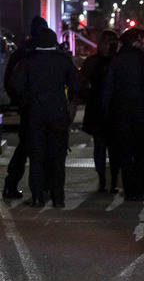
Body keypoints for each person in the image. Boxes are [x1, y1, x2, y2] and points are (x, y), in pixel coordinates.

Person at [9, 28, 81, 207]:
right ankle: (58, 198)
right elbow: (77, 84)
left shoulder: (27, 61)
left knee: (36, 157)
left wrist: (27, 96)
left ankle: (37, 196)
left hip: (35, 114)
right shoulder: (63, 60)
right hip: (57, 114)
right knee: (57, 157)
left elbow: (15, 85)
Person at [101, 28, 144, 202]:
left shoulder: (115, 61)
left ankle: (129, 189)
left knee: (124, 151)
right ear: (136, 42)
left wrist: (105, 112)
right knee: (140, 152)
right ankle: (139, 190)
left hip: (121, 112)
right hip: (141, 112)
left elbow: (108, 89)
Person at [2, 16, 49, 200]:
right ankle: (41, 188)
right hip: (41, 107)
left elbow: (10, 82)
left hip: (28, 107)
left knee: (25, 147)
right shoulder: (42, 53)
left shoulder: (21, 53)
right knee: (41, 149)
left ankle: (12, 185)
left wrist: (19, 101)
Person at [80, 29, 120, 193]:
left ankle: (103, 179)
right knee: (114, 146)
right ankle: (112, 180)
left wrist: (89, 95)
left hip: (97, 108)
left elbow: (82, 84)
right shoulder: (117, 61)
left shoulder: (92, 61)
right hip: (113, 109)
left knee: (100, 146)